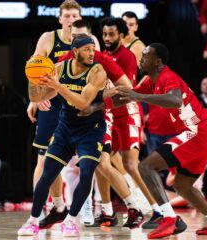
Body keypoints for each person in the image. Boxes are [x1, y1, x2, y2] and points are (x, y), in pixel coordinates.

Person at [117, 43, 207, 238]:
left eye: (145, 55)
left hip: (197, 131)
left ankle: (170, 218)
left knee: (146, 167)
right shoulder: (150, 80)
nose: (141, 59)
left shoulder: (168, 77)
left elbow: (175, 100)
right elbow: (126, 97)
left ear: (158, 62)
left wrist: (138, 96)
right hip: (200, 133)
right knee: (182, 185)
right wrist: (94, 107)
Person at [57, 19, 145, 228]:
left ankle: (135, 207)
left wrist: (97, 100)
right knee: (93, 167)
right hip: (78, 121)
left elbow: (126, 88)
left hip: (101, 117)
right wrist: (36, 99)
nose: (78, 40)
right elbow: (52, 83)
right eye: (75, 37)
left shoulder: (102, 61)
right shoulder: (66, 59)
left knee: (102, 164)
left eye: (83, 37)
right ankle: (106, 211)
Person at [18, 34, 107, 237]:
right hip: (66, 126)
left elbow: (84, 103)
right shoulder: (59, 68)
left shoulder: (98, 72)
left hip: (90, 129)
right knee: (48, 173)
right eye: (87, 49)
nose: (92, 53)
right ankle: (33, 220)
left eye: (93, 49)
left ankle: (71, 220)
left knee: (86, 171)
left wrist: (57, 86)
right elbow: (38, 96)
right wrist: (34, 79)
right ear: (75, 52)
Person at [98, 17, 160, 227]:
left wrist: (95, 104)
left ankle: (158, 210)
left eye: (111, 34)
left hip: (128, 113)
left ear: (122, 35)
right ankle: (107, 212)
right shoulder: (104, 55)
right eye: (104, 34)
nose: (107, 38)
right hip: (111, 115)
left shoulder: (127, 57)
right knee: (100, 162)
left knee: (131, 166)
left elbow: (126, 93)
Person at [25, 0, 82, 228]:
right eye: (66, 16)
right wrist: (35, 98)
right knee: (44, 158)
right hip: (53, 103)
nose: (70, 20)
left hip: (79, 104)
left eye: (74, 16)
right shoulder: (49, 38)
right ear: (60, 19)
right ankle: (43, 210)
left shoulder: (87, 40)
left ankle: (104, 208)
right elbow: (34, 67)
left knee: (98, 160)